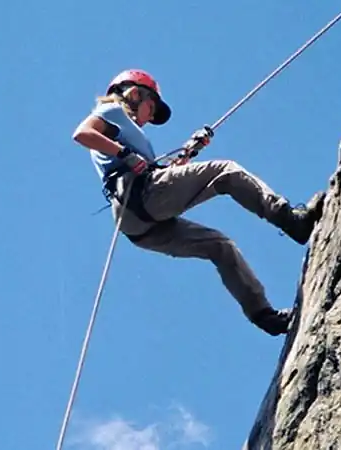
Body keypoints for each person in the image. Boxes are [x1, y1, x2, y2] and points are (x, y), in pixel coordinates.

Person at [71, 69, 326, 336]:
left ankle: (265, 316)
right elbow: (82, 133)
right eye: (151, 106)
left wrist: (188, 153)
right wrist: (125, 154)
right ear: (135, 93)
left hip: (138, 223)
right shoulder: (113, 112)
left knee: (219, 246)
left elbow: (161, 177)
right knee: (225, 171)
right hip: (141, 195)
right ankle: (289, 220)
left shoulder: (128, 131)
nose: (150, 116)